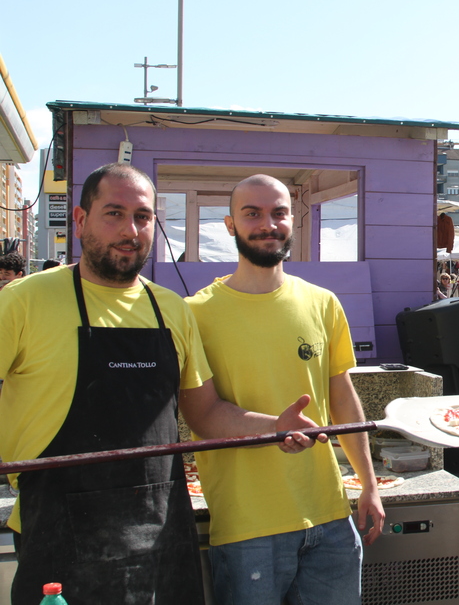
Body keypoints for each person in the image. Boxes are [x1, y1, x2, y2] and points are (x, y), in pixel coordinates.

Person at [0, 164, 317, 605]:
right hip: (59, 532)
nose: (130, 230)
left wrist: (273, 427)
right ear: (79, 220)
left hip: (160, 529)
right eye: (114, 213)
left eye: (143, 217)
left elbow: (205, 411)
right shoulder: (22, 302)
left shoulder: (171, 309)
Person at [183, 174, 385, 605]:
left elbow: (343, 397)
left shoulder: (323, 302)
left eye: (278, 213)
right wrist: (275, 427)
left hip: (330, 518)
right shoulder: (195, 314)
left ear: (292, 220)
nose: (267, 224)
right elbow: (201, 414)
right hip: (247, 526)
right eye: (251, 213)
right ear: (229, 224)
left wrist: (368, 483)